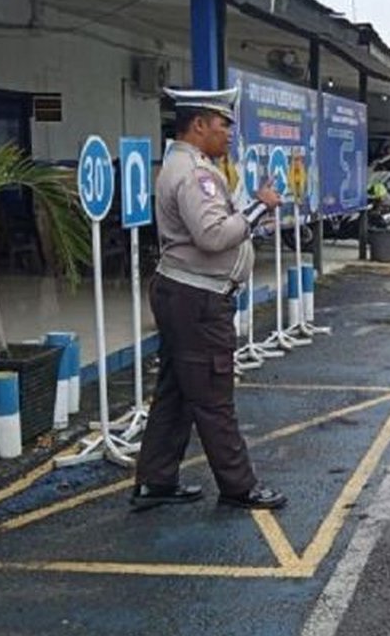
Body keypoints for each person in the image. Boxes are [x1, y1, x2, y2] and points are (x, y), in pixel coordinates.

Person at [132, 87, 286, 512]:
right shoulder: (194, 173)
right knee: (214, 395)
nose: (230, 134)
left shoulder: (185, 166)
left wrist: (252, 219)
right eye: (224, 125)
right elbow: (213, 236)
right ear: (199, 125)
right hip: (197, 300)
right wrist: (258, 208)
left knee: (178, 392)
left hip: (185, 294)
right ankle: (240, 487)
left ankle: (156, 481)